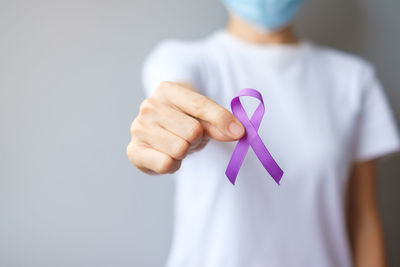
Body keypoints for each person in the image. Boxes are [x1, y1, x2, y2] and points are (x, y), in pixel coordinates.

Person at [126, 0, 400, 266]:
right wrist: (163, 126)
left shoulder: (354, 79)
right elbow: (173, 96)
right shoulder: (184, 60)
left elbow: (363, 219)